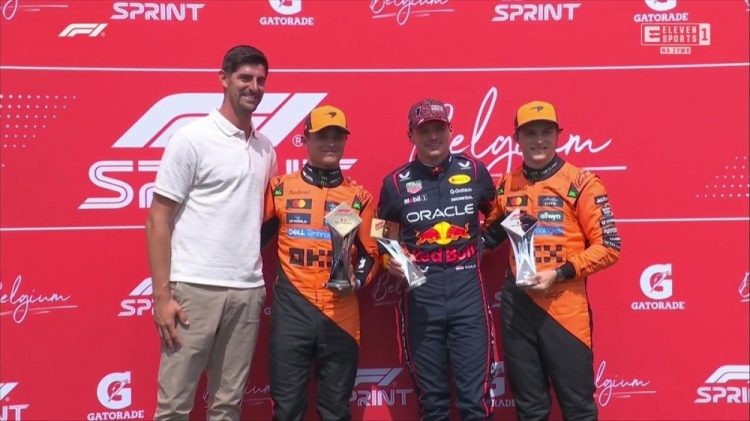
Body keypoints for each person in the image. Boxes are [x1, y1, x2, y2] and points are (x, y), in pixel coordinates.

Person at [145, 45, 276, 421]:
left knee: (227, 406)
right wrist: (162, 297)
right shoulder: (191, 139)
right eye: (245, 78)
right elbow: (157, 220)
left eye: (260, 80)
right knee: (174, 407)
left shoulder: (266, 148)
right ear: (223, 79)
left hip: (247, 291)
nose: (253, 87)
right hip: (194, 290)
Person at [481, 100, 622, 421]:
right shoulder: (506, 184)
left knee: (578, 408)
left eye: (546, 132)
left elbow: (610, 246)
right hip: (518, 308)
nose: (539, 140)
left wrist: (559, 273)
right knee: (529, 409)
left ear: (559, 135)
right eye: (530, 133)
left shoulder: (582, 182)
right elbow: (489, 237)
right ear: (516, 138)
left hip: (564, 307)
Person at [376, 98, 498, 420]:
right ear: (411, 136)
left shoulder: (474, 171)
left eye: (439, 129)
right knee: (433, 405)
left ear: (450, 130)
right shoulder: (395, 183)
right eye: (424, 130)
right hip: (421, 300)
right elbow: (382, 235)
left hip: (468, 296)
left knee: (475, 402)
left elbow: (500, 217)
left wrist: (481, 246)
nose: (433, 137)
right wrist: (389, 260)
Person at [259, 105, 380, 421]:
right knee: (287, 410)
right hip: (291, 312)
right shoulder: (279, 189)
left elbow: (372, 254)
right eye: (322, 136)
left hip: (341, 314)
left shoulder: (360, 197)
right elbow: (251, 243)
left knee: (336, 411)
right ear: (305, 139)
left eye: (338, 136)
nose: (331, 143)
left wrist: (357, 280)